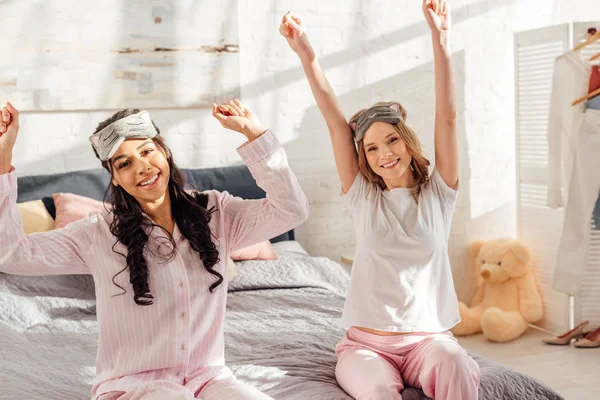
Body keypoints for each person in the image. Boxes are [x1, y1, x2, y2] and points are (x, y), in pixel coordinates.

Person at [0, 99, 309, 400]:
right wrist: (3, 159)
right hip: (131, 388)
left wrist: (254, 135)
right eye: (124, 163)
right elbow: (13, 253)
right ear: (116, 180)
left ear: (165, 153)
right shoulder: (97, 232)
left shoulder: (216, 211)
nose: (143, 167)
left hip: (209, 380)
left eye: (147, 151)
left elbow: (291, 210)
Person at [279, 1, 479, 398]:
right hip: (367, 346)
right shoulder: (363, 198)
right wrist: (306, 52)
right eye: (371, 148)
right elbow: (337, 125)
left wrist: (440, 39)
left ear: (406, 141)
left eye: (391, 140)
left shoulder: (440, 195)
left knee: (456, 364)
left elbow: (448, 118)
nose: (384, 153)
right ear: (364, 159)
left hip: (429, 342)